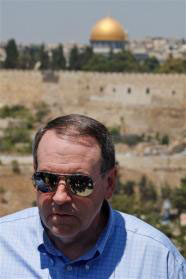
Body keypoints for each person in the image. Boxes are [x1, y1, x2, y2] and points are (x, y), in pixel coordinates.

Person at [0, 114, 185, 279]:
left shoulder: (158, 260)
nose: (60, 197)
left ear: (110, 183)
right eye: (46, 180)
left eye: (79, 184)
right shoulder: (4, 244)